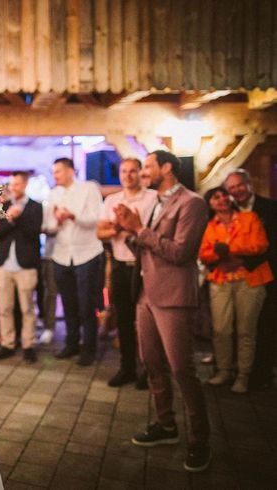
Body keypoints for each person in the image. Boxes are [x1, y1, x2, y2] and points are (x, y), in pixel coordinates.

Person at [112, 149, 211, 471]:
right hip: (146, 294)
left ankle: (200, 440)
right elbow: (147, 245)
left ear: (166, 167)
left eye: (148, 168)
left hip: (173, 297)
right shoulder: (156, 201)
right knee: (152, 364)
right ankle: (166, 424)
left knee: (182, 369)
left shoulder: (192, 203)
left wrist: (139, 229)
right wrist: (129, 230)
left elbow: (182, 253)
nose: (143, 174)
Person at [199, 186, 270, 393]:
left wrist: (230, 252)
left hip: (249, 281)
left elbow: (260, 244)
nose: (221, 199)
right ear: (210, 203)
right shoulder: (210, 226)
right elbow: (204, 253)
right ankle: (223, 371)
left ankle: (243, 375)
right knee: (221, 330)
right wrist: (221, 256)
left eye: (223, 195)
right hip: (221, 281)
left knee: (246, 331)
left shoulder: (250, 219)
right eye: (215, 197)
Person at [98, 157, 157, 388]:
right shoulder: (112, 199)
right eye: (124, 171)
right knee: (123, 318)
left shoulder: (152, 198)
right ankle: (128, 368)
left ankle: (149, 371)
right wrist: (118, 228)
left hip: (146, 265)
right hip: (121, 265)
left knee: (146, 323)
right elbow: (99, 233)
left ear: (140, 173)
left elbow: (153, 230)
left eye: (133, 171)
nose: (128, 175)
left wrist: (132, 225)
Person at [43, 157, 105, 366]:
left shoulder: (88, 188)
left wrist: (72, 216)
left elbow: (96, 218)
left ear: (70, 170)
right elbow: (48, 225)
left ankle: (89, 348)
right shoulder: (53, 194)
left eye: (58, 171)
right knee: (68, 302)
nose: (55, 176)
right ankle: (71, 343)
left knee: (86, 303)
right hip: (61, 254)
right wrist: (56, 221)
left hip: (86, 254)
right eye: (54, 172)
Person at [224, 169, 277, 390]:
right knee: (238, 325)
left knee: (265, 325)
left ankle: (263, 372)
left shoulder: (270, 208)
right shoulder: (228, 210)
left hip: (264, 274)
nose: (237, 191)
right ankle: (240, 369)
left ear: (249, 184)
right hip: (234, 278)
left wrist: (247, 262)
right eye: (232, 188)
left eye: (239, 185)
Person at [0, 171, 44, 363]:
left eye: (17, 184)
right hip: (4, 264)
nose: (14, 188)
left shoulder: (35, 207)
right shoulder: (3, 206)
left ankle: (28, 344)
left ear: (25, 185)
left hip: (26, 265)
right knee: (4, 307)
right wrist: (10, 218)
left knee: (27, 308)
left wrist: (19, 217)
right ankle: (8, 343)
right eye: (12, 184)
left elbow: (34, 231)